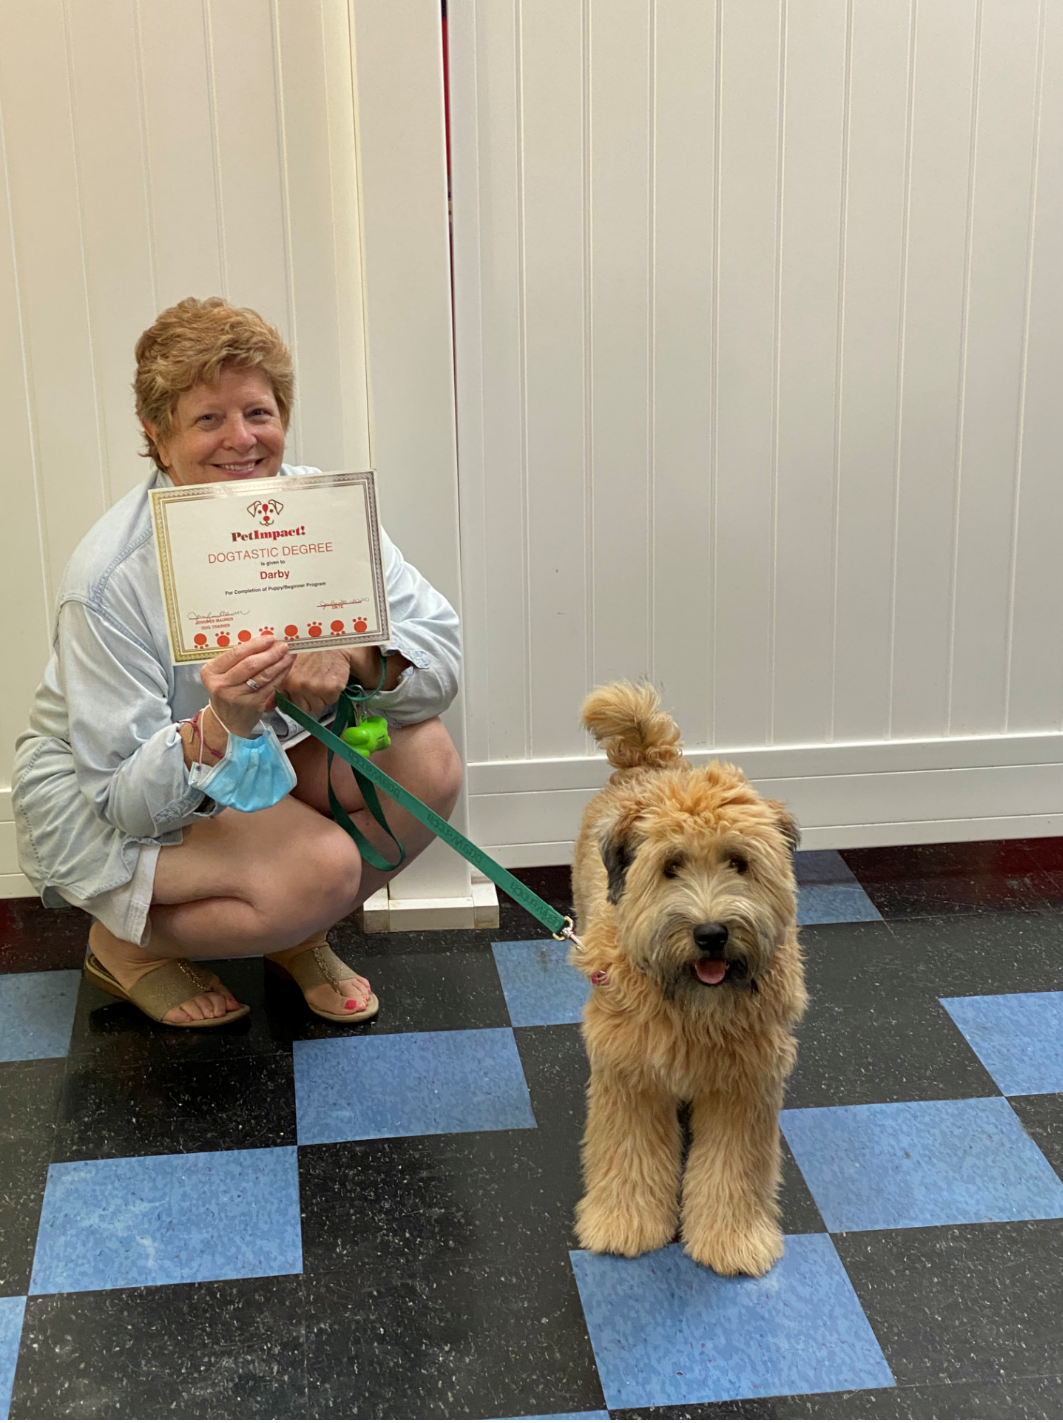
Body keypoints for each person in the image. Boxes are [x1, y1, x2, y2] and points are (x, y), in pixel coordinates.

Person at [12, 297, 463, 1028]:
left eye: (258, 412)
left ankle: (295, 932)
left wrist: (352, 658)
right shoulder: (108, 579)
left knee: (428, 760)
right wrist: (218, 723)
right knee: (318, 869)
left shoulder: (323, 517)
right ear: (158, 438)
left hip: (272, 752)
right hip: (118, 788)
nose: (241, 440)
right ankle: (125, 947)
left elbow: (440, 658)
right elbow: (123, 798)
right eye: (207, 419)